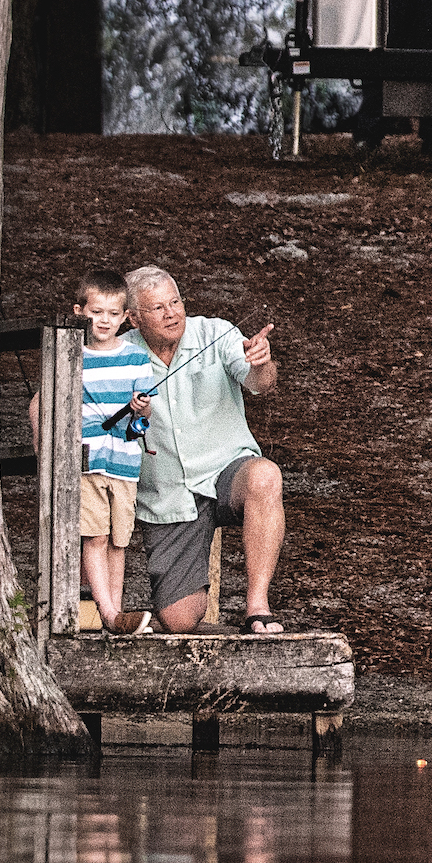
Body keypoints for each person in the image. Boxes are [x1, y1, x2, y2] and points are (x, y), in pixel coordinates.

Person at [124, 266, 288, 634]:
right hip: (169, 495)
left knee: (265, 476)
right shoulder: (121, 354)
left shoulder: (215, 332)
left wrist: (261, 362)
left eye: (176, 302)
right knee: (179, 621)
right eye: (157, 308)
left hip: (226, 471)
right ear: (133, 318)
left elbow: (261, 384)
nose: (172, 313)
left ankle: (257, 607)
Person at [28, 269, 155, 633]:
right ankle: (110, 613)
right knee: (95, 536)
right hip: (88, 462)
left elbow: (145, 416)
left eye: (114, 314)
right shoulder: (72, 357)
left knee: (118, 539)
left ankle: (113, 617)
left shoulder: (135, 358)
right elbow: (42, 405)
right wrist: (43, 449)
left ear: (125, 317)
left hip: (126, 464)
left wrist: (141, 407)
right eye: (97, 311)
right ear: (80, 311)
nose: (105, 320)